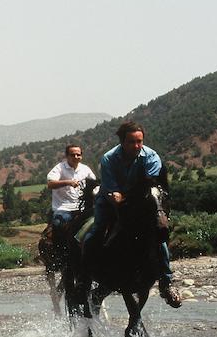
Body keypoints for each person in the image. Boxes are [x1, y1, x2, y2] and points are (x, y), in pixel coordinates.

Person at [81, 121, 182, 307]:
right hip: (110, 200)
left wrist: (131, 197)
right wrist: (118, 196)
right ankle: (86, 269)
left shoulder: (151, 157)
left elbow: (150, 183)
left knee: (158, 237)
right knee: (97, 230)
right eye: (132, 142)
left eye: (140, 141)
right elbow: (112, 191)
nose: (136, 146)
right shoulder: (109, 159)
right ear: (122, 142)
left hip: (140, 200)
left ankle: (166, 282)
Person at [46, 144, 96, 232]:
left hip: (84, 207)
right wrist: (68, 182)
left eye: (78, 155)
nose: (76, 157)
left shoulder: (86, 169)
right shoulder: (59, 168)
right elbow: (50, 184)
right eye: (72, 155)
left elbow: (94, 184)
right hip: (64, 208)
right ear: (67, 156)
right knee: (58, 224)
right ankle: (58, 245)